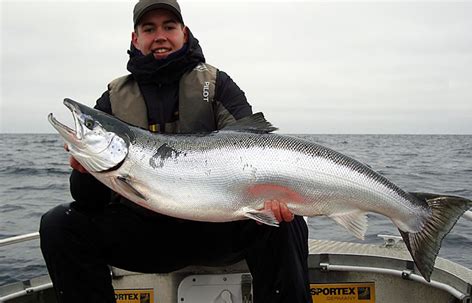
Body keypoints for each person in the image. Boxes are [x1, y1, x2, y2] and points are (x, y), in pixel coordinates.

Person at [39, 0, 311, 302]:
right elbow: (87, 200)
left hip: (219, 228)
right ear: (135, 38)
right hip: (145, 237)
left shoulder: (217, 84)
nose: (160, 36)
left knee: (287, 222)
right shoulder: (113, 99)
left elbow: (251, 145)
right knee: (59, 224)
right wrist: (86, 170)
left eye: (169, 27)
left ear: (184, 32)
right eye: (149, 28)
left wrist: (271, 197)